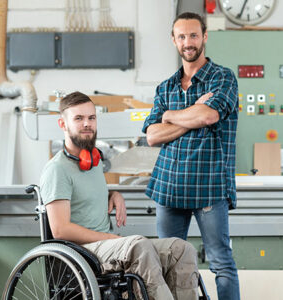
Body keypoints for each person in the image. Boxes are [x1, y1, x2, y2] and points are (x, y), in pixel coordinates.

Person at [40, 91, 199, 300]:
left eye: (91, 117)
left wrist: (113, 194)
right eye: (78, 118)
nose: (87, 123)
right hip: (82, 253)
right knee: (138, 246)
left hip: (107, 247)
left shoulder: (93, 162)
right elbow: (61, 229)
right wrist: (108, 237)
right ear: (63, 124)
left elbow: (83, 198)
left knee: (180, 248)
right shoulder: (57, 170)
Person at [142, 12, 240, 300]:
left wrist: (169, 117)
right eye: (182, 36)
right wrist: (185, 116)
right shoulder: (166, 87)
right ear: (174, 40)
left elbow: (209, 115)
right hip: (169, 186)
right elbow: (151, 136)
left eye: (193, 35)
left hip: (209, 185)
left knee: (221, 262)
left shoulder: (222, 78)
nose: (188, 42)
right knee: (167, 264)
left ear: (205, 36)